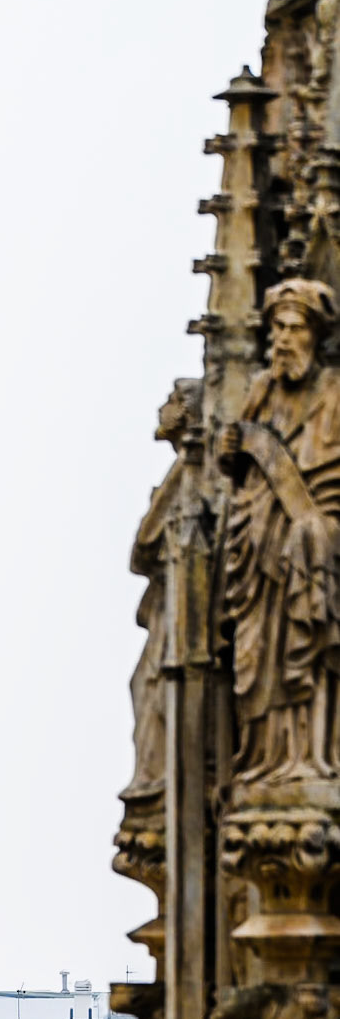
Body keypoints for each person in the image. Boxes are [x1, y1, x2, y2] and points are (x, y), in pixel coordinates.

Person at [219, 277, 340, 781]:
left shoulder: (335, 394)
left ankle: (310, 758)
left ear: (315, 335)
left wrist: (313, 530)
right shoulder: (261, 392)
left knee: (303, 652)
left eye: (294, 328)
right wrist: (231, 454)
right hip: (258, 556)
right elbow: (237, 474)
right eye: (277, 329)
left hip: (310, 551)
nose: (284, 340)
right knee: (254, 660)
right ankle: (265, 758)